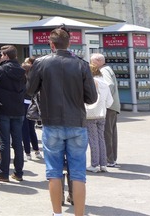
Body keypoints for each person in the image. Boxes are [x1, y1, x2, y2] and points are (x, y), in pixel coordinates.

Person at [26, 26, 97, 216]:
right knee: (78, 174)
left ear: (51, 44)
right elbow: (91, 98)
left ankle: (57, 213)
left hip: (52, 122)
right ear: (70, 43)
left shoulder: (41, 63)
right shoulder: (82, 65)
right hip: (76, 123)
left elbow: (30, 90)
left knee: (53, 173)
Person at [0, 45, 26, 182]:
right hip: (18, 108)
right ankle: (18, 172)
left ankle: (3, 173)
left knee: (4, 142)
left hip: (3, 108)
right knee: (18, 142)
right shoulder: (22, 71)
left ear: (5, 56)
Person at [91, 53, 120, 167]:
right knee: (111, 133)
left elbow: (110, 85)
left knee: (107, 133)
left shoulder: (104, 71)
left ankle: (109, 159)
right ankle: (112, 158)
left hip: (109, 107)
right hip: (113, 106)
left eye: (92, 61)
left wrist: (103, 100)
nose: (91, 64)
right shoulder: (108, 69)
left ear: (98, 61)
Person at [85, 63, 113, 173]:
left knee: (93, 140)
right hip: (102, 114)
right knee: (101, 138)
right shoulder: (105, 84)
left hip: (90, 114)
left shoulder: (90, 82)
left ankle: (94, 164)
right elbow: (110, 102)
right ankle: (103, 164)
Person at [21, 57, 41, 160]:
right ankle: (37, 150)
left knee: (24, 129)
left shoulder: (22, 81)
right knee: (32, 129)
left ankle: (27, 152)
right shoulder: (34, 80)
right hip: (32, 105)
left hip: (23, 105)